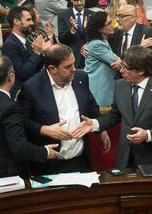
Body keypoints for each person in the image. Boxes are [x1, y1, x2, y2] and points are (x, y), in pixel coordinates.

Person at [72, 45, 152, 170]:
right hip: (125, 158)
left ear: (141, 70)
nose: (121, 71)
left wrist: (148, 134)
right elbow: (115, 115)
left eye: (126, 67)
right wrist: (94, 124)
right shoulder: (120, 85)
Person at [17, 44, 110, 175]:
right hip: (49, 165)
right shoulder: (32, 88)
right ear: (52, 69)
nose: (73, 69)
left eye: (73, 64)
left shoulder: (81, 78)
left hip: (80, 160)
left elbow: (91, 105)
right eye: (67, 67)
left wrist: (101, 129)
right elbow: (22, 122)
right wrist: (44, 129)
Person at [0, 56, 61, 183]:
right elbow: (19, 147)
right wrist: (44, 152)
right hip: (6, 177)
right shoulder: (10, 108)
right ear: (11, 76)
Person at [2, 7, 49, 99]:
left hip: (32, 90)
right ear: (16, 21)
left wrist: (42, 52)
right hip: (20, 94)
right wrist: (36, 52)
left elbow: (35, 67)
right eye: (28, 20)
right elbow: (23, 73)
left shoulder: (26, 41)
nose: (32, 23)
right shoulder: (9, 45)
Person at [84, 12, 120, 106]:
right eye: (109, 24)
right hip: (98, 89)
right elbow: (116, 62)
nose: (113, 25)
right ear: (100, 29)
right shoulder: (97, 44)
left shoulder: (104, 41)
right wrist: (120, 60)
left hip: (104, 87)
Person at [58, 0, 90, 69]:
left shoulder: (92, 14)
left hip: (89, 58)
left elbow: (97, 37)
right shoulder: (63, 15)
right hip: (71, 59)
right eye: (76, 0)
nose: (79, 3)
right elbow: (61, 38)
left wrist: (87, 43)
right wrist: (71, 30)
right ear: (71, 0)